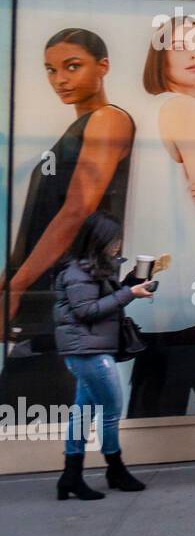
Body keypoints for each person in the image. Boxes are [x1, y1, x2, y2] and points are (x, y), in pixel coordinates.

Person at [1, 28, 134, 410]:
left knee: (41, 397)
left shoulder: (108, 119)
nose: (60, 80)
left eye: (72, 67)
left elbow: (78, 208)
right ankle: (81, 466)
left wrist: (17, 284)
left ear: (103, 66)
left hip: (70, 292)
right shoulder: (78, 129)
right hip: (55, 289)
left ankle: (87, 464)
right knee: (45, 398)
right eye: (51, 70)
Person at [126, 15, 195, 418]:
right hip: (193, 285)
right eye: (181, 45)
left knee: (154, 398)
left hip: (154, 289)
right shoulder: (186, 109)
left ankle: (126, 463)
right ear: (161, 56)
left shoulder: (148, 110)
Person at [53, 212, 152, 500]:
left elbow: (102, 301)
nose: (118, 245)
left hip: (90, 349)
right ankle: (114, 469)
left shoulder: (91, 270)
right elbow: (88, 311)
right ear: (98, 240)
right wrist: (129, 294)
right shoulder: (77, 273)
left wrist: (133, 282)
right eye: (114, 240)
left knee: (82, 412)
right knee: (110, 410)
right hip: (88, 351)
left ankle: (71, 475)